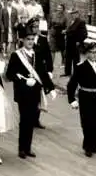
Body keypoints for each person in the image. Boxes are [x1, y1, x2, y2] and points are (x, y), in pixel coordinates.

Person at [5, 25, 57, 159]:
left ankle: (28, 148)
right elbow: (10, 74)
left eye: (32, 39)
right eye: (28, 39)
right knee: (24, 120)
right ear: (22, 40)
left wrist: (50, 88)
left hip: (35, 92)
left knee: (32, 120)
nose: (30, 42)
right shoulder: (16, 55)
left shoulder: (37, 54)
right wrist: (23, 81)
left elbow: (42, 73)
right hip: (23, 92)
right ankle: (21, 148)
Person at [67, 42, 96, 157]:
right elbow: (71, 84)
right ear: (86, 54)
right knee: (87, 122)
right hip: (86, 96)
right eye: (92, 52)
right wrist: (72, 99)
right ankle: (87, 146)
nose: (95, 55)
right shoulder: (80, 67)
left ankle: (94, 145)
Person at [29, 17, 53, 129]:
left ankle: (36, 119)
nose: (36, 29)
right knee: (29, 95)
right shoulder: (27, 39)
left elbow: (48, 56)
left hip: (39, 71)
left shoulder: (43, 40)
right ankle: (28, 117)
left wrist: (49, 70)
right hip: (28, 71)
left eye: (37, 27)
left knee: (38, 95)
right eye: (34, 27)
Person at [64, 8, 87, 77]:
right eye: (72, 14)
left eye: (74, 14)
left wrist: (79, 41)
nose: (72, 15)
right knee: (68, 57)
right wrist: (66, 32)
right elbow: (70, 30)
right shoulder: (71, 21)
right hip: (69, 42)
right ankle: (67, 72)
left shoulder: (80, 22)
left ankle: (76, 73)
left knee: (75, 58)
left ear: (77, 14)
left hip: (75, 42)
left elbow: (84, 34)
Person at [49, 3, 68, 68]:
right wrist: (50, 32)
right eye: (58, 8)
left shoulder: (65, 17)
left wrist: (65, 31)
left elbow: (66, 26)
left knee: (62, 49)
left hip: (61, 34)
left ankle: (63, 63)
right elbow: (50, 24)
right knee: (52, 49)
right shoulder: (53, 15)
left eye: (60, 8)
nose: (59, 9)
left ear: (63, 9)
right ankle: (51, 63)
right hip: (53, 33)